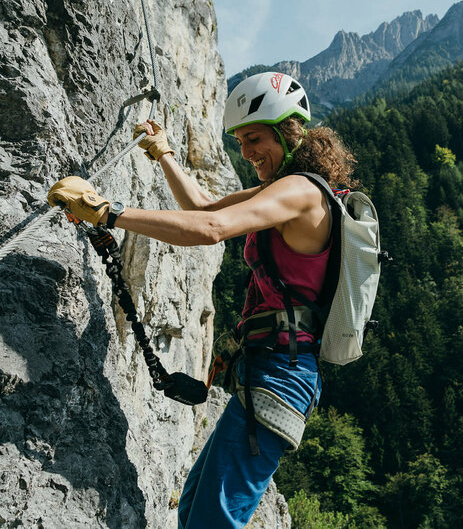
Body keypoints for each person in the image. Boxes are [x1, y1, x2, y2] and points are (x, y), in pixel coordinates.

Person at [47, 72, 358, 528]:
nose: (247, 151)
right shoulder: (291, 190)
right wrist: (164, 154)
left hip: (280, 373)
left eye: (254, 138)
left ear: (288, 129)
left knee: (209, 521)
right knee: (195, 509)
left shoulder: (300, 192)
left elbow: (210, 233)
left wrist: (108, 213)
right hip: (271, 371)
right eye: (240, 140)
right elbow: (205, 209)